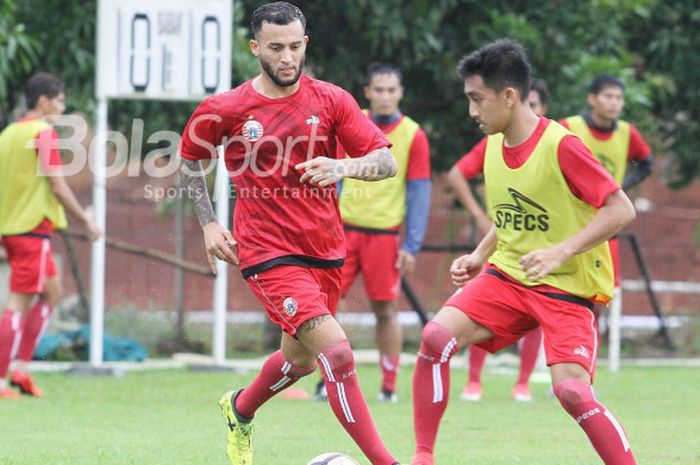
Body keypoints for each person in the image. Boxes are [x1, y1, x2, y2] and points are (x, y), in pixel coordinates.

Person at [177, 3, 400, 465]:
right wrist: (210, 222)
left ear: (305, 45)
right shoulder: (228, 107)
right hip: (266, 254)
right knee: (337, 355)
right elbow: (189, 160)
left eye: (295, 46)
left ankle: (239, 409)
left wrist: (343, 165)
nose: (287, 57)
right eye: (276, 48)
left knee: (298, 361)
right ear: (255, 48)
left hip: (324, 251)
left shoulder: (333, 100)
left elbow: (385, 161)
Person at [410, 39, 638, 465]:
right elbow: (516, 212)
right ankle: (423, 457)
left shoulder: (562, 145)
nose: (472, 111)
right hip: (508, 276)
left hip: (568, 289)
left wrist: (560, 252)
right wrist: (480, 254)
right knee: (435, 337)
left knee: (570, 391)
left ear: (509, 96)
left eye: (477, 99)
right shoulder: (494, 141)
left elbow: (620, 209)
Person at [320, 63, 431, 403]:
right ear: (367, 92)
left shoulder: (414, 134)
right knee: (325, 309)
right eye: (378, 90)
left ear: (400, 93)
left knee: (386, 310)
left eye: (391, 90)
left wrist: (411, 244)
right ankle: (326, 382)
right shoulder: (352, 121)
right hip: (342, 232)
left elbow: (419, 191)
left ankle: (389, 385)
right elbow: (333, 175)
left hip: (384, 235)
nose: (384, 96)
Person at [447, 79, 550, 402]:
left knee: (535, 319)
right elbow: (456, 174)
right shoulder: (495, 141)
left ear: (542, 109)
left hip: (543, 253)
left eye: (534, 104)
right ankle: (473, 381)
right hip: (500, 248)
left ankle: (523, 383)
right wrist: (480, 217)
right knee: (475, 312)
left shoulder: (555, 144)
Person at [0, 72, 101, 399]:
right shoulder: (43, 133)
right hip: (31, 230)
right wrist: (84, 220)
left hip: (15, 230)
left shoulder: (8, 134)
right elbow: (57, 185)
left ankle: (21, 370)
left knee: (51, 294)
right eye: (58, 100)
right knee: (17, 304)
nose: (62, 106)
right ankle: (2, 380)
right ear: (42, 100)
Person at [561, 75, 653, 294]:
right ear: (592, 99)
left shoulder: (626, 131)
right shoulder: (568, 126)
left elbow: (646, 163)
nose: (614, 102)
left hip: (607, 223)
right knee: (566, 288)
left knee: (606, 293)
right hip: (571, 221)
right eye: (608, 96)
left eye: (619, 98)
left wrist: (620, 187)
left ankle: (599, 329)